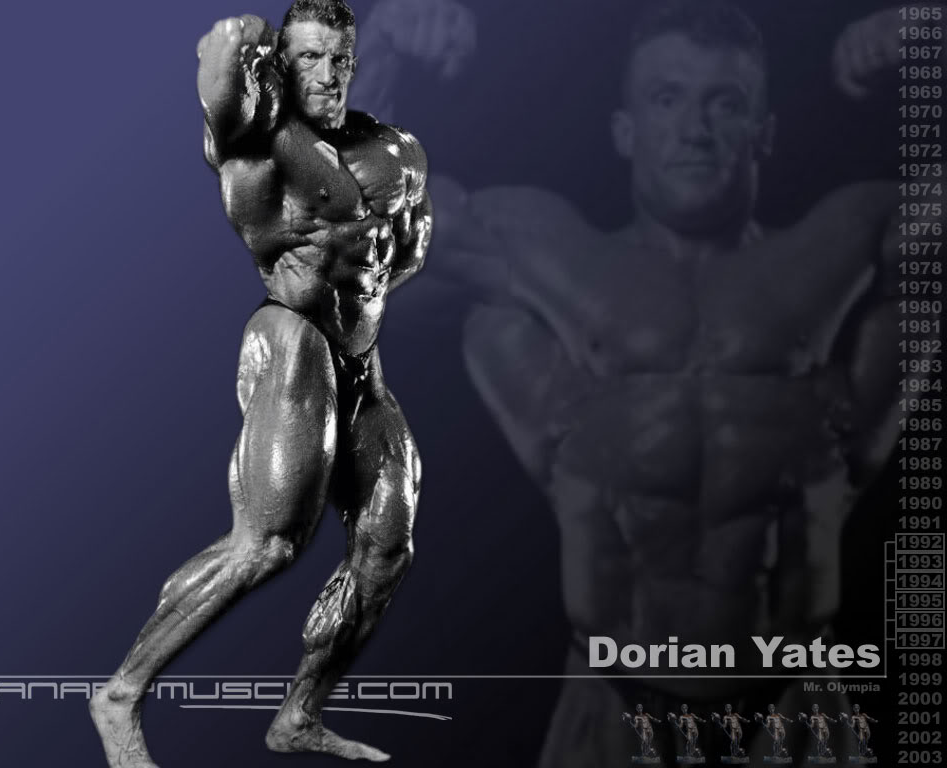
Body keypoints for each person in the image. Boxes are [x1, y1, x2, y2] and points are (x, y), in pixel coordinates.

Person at [354, 0, 938, 764]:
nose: (695, 129)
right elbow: (339, 242)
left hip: (796, 706)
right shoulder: (540, 255)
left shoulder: (846, 245)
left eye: (724, 103)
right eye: (667, 99)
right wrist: (377, 52)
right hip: (612, 704)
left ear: (763, 131)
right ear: (625, 130)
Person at [89, 1, 431, 765]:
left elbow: (407, 252)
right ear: (282, 63)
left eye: (339, 58)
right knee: (268, 543)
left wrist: (357, 297)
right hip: (291, 336)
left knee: (387, 547)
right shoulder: (257, 143)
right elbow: (222, 91)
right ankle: (120, 695)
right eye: (309, 58)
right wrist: (235, 43)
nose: (328, 74)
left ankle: (298, 717)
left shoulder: (398, 149)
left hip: (361, 362)